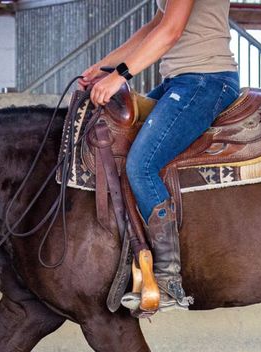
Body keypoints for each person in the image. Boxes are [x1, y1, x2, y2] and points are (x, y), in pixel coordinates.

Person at [79, 0, 239, 311]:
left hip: (206, 79)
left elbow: (170, 32)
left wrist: (119, 76)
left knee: (141, 165)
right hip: (178, 81)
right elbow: (154, 26)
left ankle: (168, 278)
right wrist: (103, 66)